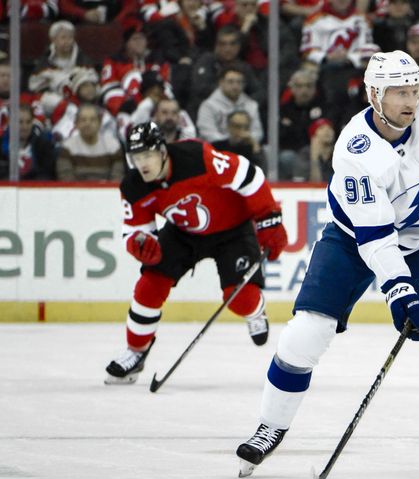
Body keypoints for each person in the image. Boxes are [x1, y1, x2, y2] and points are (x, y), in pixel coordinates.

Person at [235, 50, 419, 479]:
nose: (410, 101)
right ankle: (270, 425)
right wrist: (400, 292)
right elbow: (376, 238)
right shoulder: (354, 152)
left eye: (415, 89)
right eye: (398, 92)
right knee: (306, 332)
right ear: (373, 95)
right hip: (352, 241)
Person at [104, 122, 288, 384]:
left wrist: (269, 217)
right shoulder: (134, 186)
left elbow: (250, 175)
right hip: (182, 233)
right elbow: (134, 229)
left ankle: (256, 313)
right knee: (149, 285)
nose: (142, 163)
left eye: (147, 155)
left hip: (233, 229)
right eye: (136, 157)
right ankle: (135, 352)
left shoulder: (196, 158)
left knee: (240, 298)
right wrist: (141, 243)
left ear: (162, 151)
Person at [56, 103, 124, 182]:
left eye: (92, 120)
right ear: (76, 124)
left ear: (99, 123)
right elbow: (66, 178)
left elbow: (117, 178)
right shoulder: (67, 147)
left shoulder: (113, 146)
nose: (87, 124)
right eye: (83, 120)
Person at [197, 65, 264, 145]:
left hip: (245, 148)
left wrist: (246, 139)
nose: (235, 86)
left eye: (239, 82)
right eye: (230, 82)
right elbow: (208, 134)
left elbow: (257, 132)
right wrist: (232, 141)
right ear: (221, 82)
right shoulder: (208, 106)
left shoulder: (251, 105)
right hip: (216, 150)